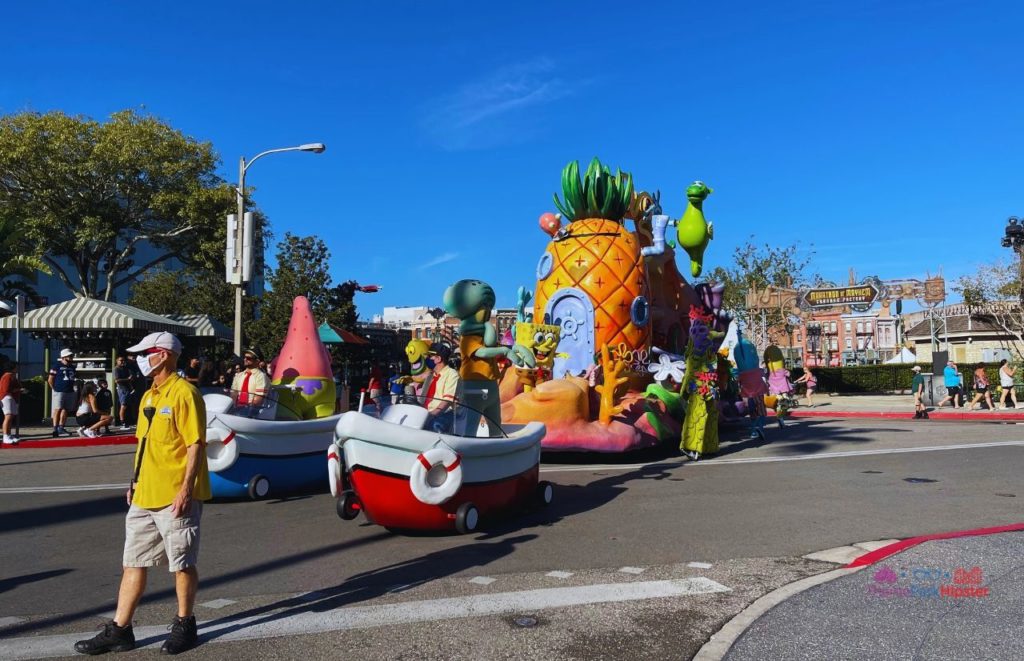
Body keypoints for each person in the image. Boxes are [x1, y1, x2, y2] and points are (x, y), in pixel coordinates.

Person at [74, 331, 210, 656]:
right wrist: (133, 481)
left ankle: (185, 624)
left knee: (181, 563)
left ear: (162, 354)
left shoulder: (185, 394)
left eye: (144, 352)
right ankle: (120, 630)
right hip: (144, 494)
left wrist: (185, 489)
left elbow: (195, 445)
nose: (139, 358)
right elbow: (144, 445)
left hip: (175, 495)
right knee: (132, 561)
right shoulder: (149, 396)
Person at [423, 344, 459, 433]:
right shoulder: (432, 375)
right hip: (428, 412)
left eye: (430, 356)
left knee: (435, 425)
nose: (427, 359)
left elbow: (447, 401)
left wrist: (432, 415)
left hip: (446, 413)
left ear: (438, 359)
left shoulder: (452, 374)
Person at [231, 348, 269, 416]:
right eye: (244, 357)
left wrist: (246, 412)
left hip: (253, 413)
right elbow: (233, 394)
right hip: (237, 411)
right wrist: (233, 408)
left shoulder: (261, 376)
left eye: (248, 358)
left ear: (257, 361)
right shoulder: (238, 376)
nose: (245, 359)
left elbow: (258, 400)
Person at [48, 348, 77, 436]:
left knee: (66, 409)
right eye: (70, 356)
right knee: (58, 409)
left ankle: (61, 427)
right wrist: (54, 388)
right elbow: (50, 379)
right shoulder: (56, 366)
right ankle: (55, 428)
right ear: (64, 357)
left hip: (69, 390)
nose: (72, 357)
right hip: (59, 391)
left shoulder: (72, 366)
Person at [1, 356, 21, 445]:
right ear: (12, 368)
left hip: (11, 398)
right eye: (16, 367)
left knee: (11, 417)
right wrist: (18, 390)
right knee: (8, 416)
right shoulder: (7, 376)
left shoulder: (12, 376)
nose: (18, 368)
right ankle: (5, 436)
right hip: (6, 397)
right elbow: (6, 389)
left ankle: (8, 434)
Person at [114, 355, 133, 430]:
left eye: (123, 360)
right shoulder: (116, 369)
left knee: (127, 405)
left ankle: (127, 421)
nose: (122, 362)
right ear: (117, 361)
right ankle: (122, 422)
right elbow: (117, 380)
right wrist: (127, 379)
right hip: (122, 389)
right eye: (120, 360)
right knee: (123, 405)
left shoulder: (125, 368)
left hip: (128, 389)